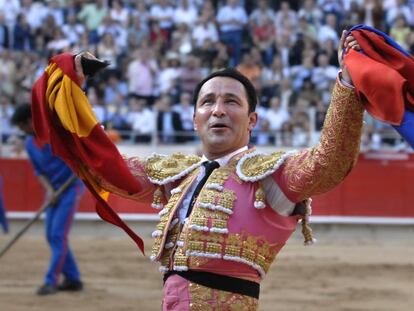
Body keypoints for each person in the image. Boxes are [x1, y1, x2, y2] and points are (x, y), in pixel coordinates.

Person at [32, 32, 363, 309]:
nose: (217, 110)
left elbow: (329, 163)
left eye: (231, 102)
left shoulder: (270, 176)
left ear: (252, 121)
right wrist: (70, 87)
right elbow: (109, 170)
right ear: (194, 119)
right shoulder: (179, 176)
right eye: (207, 102)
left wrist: (346, 84)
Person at [11, 104, 84, 296]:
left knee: (57, 235)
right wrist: (50, 191)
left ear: (29, 121)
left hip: (70, 188)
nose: (21, 131)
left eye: (21, 126)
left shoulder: (57, 132)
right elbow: (39, 172)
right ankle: (73, 278)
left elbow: (79, 155)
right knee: (51, 236)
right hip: (53, 191)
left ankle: (51, 281)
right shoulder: (29, 144)